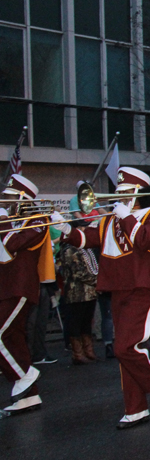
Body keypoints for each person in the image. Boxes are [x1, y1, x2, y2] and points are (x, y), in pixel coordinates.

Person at [53, 167, 150, 429]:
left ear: (138, 193)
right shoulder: (111, 219)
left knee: (126, 348)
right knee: (126, 351)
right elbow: (89, 238)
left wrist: (127, 217)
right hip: (117, 289)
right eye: (118, 192)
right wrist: (65, 228)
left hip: (142, 288)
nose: (119, 197)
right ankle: (135, 408)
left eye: (125, 192)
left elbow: (147, 242)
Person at [0, 174, 54, 414]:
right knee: (13, 339)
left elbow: (11, 244)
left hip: (20, 287)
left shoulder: (38, 219)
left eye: (9, 197)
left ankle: (26, 374)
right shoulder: (10, 220)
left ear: (23, 198)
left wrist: (2, 218)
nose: (4, 201)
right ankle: (29, 396)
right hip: (5, 287)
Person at [59, 233, 101, 365]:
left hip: (89, 292)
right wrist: (98, 281)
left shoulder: (86, 248)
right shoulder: (69, 250)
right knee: (75, 322)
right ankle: (78, 353)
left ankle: (88, 350)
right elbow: (78, 272)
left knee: (86, 322)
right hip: (76, 293)